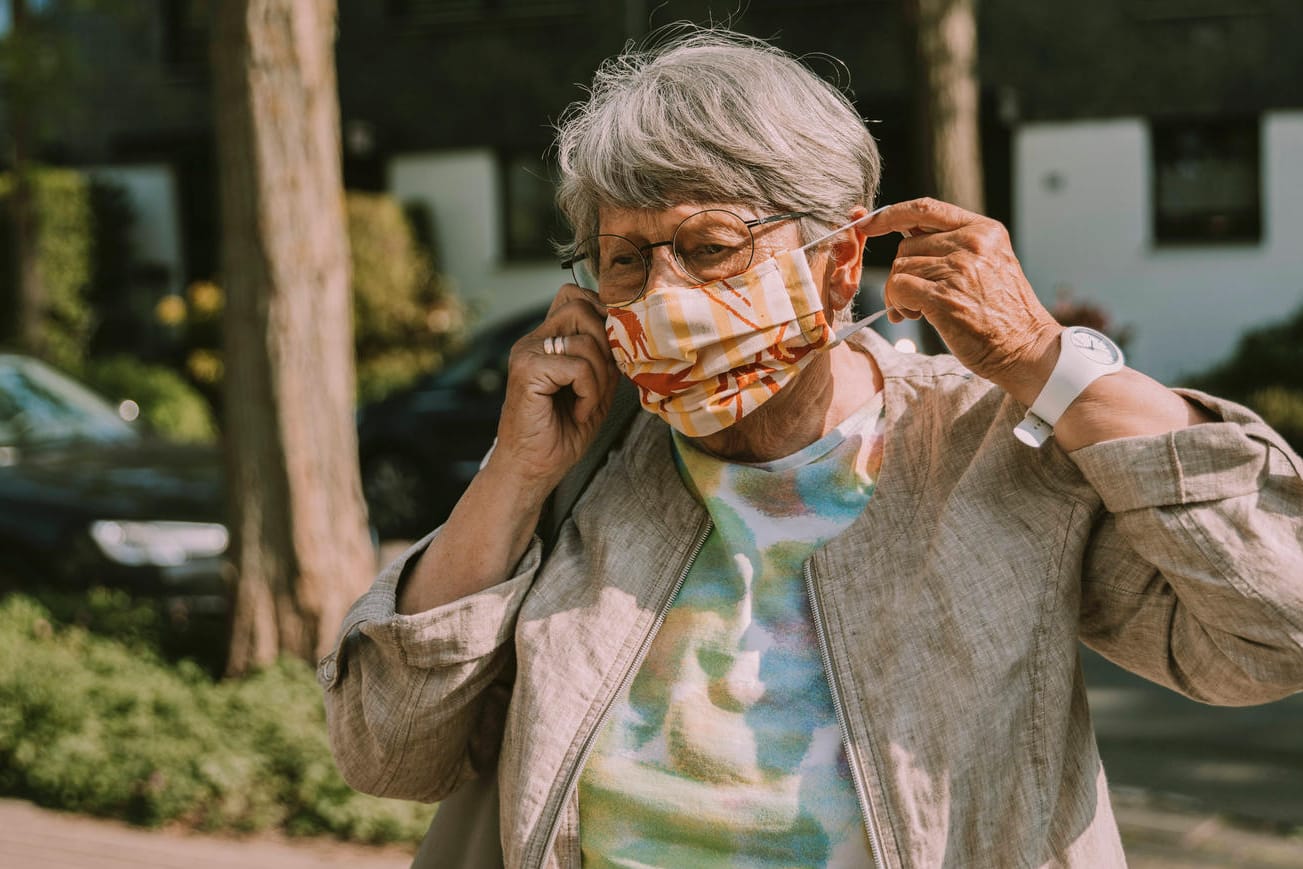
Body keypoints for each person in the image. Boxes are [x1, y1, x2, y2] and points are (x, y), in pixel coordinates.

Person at [319, 28, 1303, 868]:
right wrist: (515, 470)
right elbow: (386, 751)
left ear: (837, 265)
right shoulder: (588, 468)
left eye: (709, 246)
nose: (663, 295)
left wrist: (1051, 368)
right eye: (626, 258)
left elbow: (1271, 635)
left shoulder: (988, 447)